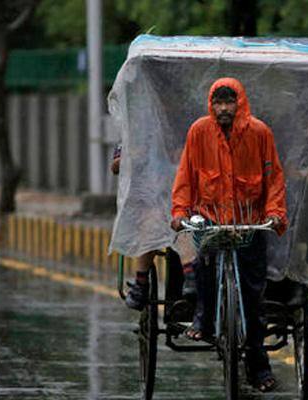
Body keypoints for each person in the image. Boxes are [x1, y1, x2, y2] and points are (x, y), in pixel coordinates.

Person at [170, 77, 287, 392]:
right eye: (218, 103)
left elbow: (273, 177)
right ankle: (204, 320)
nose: (223, 109)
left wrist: (276, 213)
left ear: (240, 104)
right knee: (204, 273)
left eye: (229, 103)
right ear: (211, 104)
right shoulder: (199, 132)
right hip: (211, 221)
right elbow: (186, 176)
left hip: (249, 224)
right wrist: (180, 212)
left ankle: (259, 366)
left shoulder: (260, 133)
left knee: (253, 298)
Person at [111, 145, 197, 311]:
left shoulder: (195, 128)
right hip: (155, 199)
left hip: (191, 197)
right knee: (153, 221)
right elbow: (115, 166)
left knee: (186, 223)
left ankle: (192, 277)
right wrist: (133, 158)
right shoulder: (140, 130)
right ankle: (141, 282)